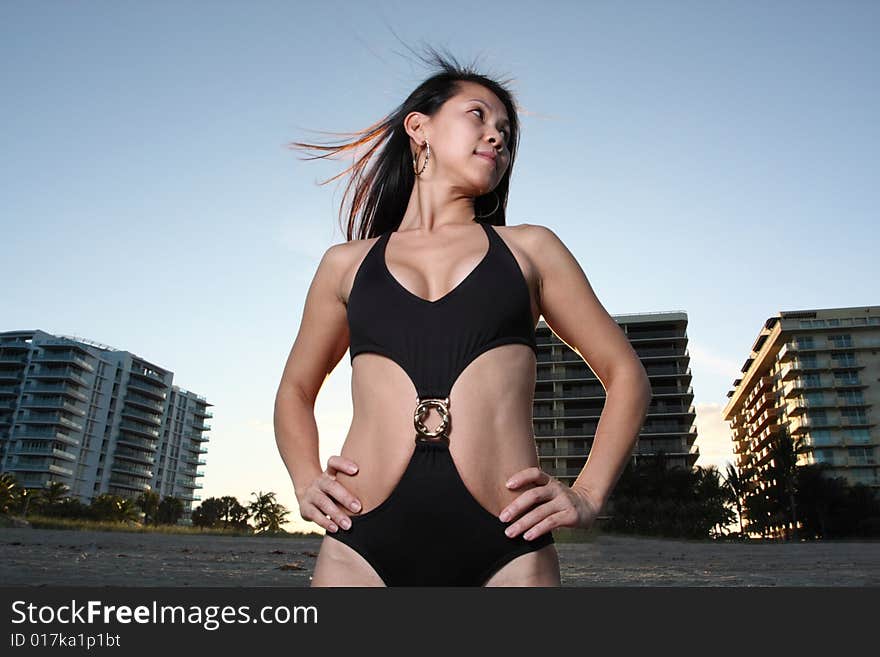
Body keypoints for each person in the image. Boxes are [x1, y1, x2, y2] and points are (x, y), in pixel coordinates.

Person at [274, 48, 652, 586]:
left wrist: (587, 495)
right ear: (419, 128)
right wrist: (306, 479)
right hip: (361, 543)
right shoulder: (346, 264)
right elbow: (294, 389)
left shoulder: (530, 251)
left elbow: (626, 376)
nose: (497, 136)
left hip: (507, 546)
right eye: (478, 115)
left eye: (506, 131)